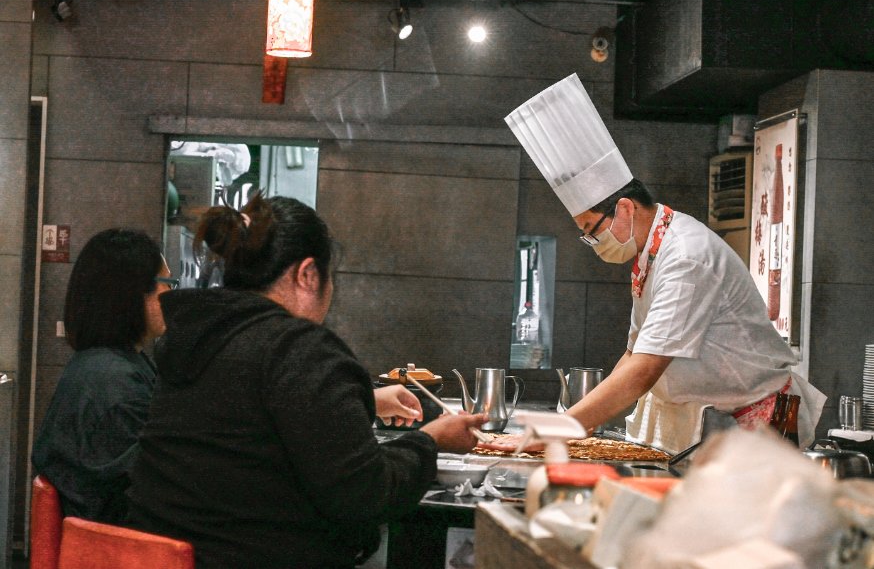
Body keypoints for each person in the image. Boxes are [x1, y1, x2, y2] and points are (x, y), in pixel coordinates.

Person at [126, 193, 486, 568]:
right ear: (308, 274)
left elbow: (250, 423)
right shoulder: (298, 348)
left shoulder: (196, 339)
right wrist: (431, 440)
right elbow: (366, 496)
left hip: (166, 555)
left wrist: (366, 398)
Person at [505, 73, 825, 454]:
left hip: (753, 426)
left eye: (592, 230)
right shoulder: (652, 252)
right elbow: (634, 353)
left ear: (624, 207)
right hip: (709, 420)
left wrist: (563, 428)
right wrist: (570, 422)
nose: (593, 243)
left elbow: (644, 369)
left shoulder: (686, 256)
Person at [32, 228, 173, 523]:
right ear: (133, 294)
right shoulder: (117, 385)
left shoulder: (96, 366)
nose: (173, 296)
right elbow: (147, 494)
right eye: (168, 283)